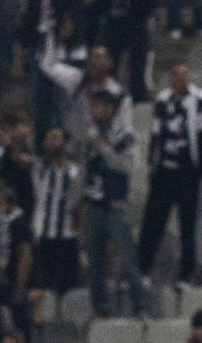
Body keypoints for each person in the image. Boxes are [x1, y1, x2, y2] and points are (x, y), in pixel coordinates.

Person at [136, 62, 202, 286]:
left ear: (189, 77)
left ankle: (188, 274)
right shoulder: (163, 100)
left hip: (189, 173)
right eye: (174, 75)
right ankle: (141, 269)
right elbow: (155, 133)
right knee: (152, 223)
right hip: (164, 170)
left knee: (189, 226)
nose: (178, 79)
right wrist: (152, 163)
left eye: (182, 75)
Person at [80, 87, 151, 319]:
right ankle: (102, 310)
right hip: (93, 206)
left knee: (127, 260)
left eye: (98, 106)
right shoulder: (89, 135)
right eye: (92, 107)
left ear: (110, 109)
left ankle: (141, 307)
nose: (93, 111)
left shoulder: (124, 134)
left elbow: (129, 166)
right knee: (95, 264)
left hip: (114, 205)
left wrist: (105, 150)